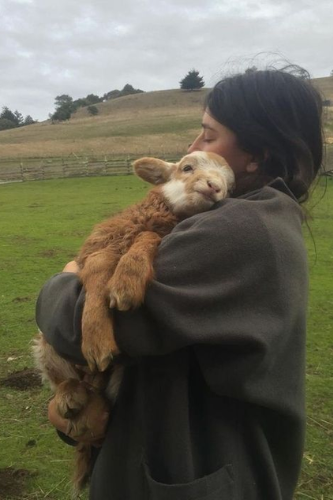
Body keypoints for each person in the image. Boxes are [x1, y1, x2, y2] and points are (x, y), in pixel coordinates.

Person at [36, 65, 323, 500]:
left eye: (208, 136)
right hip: (173, 461)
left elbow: (83, 326)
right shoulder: (248, 219)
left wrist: (66, 276)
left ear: (256, 154)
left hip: (194, 475)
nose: (193, 146)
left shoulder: (243, 228)